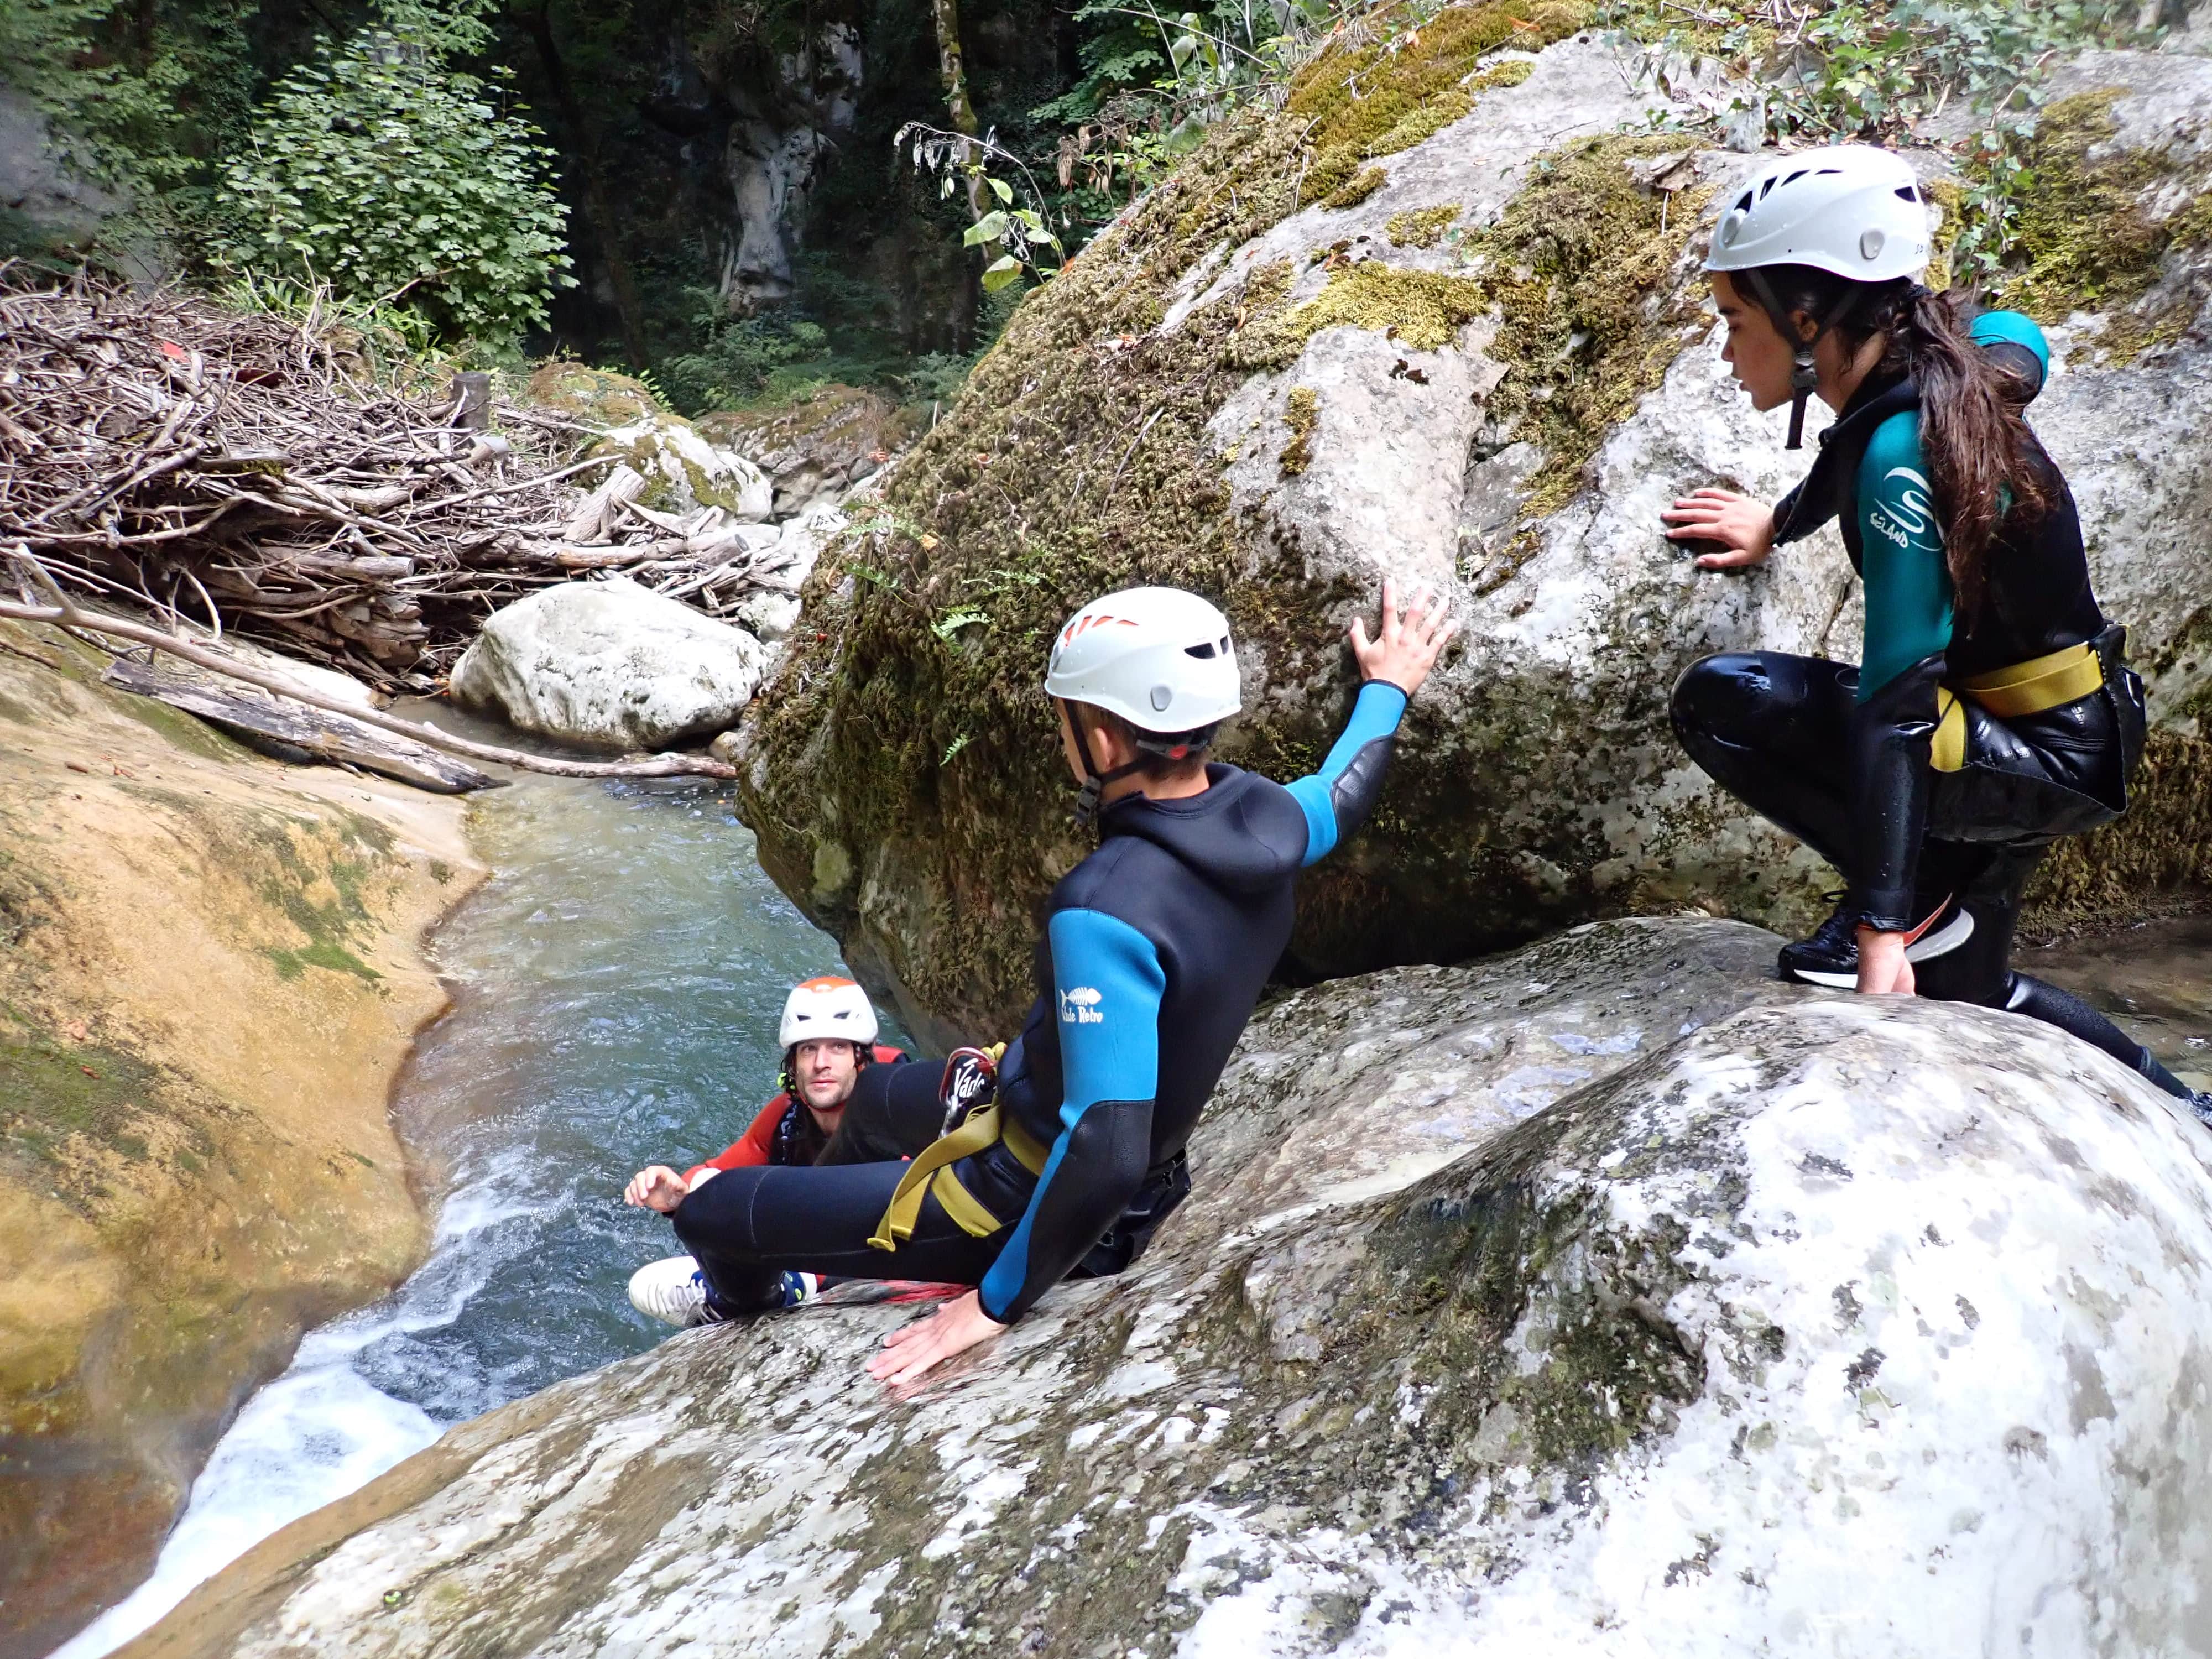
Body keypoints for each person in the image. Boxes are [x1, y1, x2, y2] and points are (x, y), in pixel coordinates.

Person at [651, 579, 1454, 1383]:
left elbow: (1105, 1149)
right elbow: (1342, 794)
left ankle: (753, 1290)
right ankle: (823, 1253)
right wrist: (1387, 689)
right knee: (867, 1100)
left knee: (713, 1213)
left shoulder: (1103, 910)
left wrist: (991, 1305)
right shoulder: (1268, 818)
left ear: (1103, 743)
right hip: (1039, 1121)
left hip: (1027, 1202)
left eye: (1064, 714)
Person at [1662, 143, 2206, 1117]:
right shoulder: (1941, 358)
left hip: (2033, 752)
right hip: (2057, 730)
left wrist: (1880, 931)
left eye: (1733, 319)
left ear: (1804, 319)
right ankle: (2193, 1113)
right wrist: (1777, 525)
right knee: (1975, 993)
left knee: (1730, 701)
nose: (1724, 346)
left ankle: (1922, 908)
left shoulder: (1906, 456)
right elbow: (2014, 336)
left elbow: (1898, 706)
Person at [624, 976, 906, 1325]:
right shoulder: (786, 1119)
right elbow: (716, 1173)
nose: (821, 1063)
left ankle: (779, 1289)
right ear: (794, 1063)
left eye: (837, 1047)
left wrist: (808, 1273)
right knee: (705, 1191)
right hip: (807, 1251)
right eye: (808, 1049)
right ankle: (761, 1289)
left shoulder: (899, 1114)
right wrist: (679, 1196)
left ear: (861, 1058)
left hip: (884, 1258)